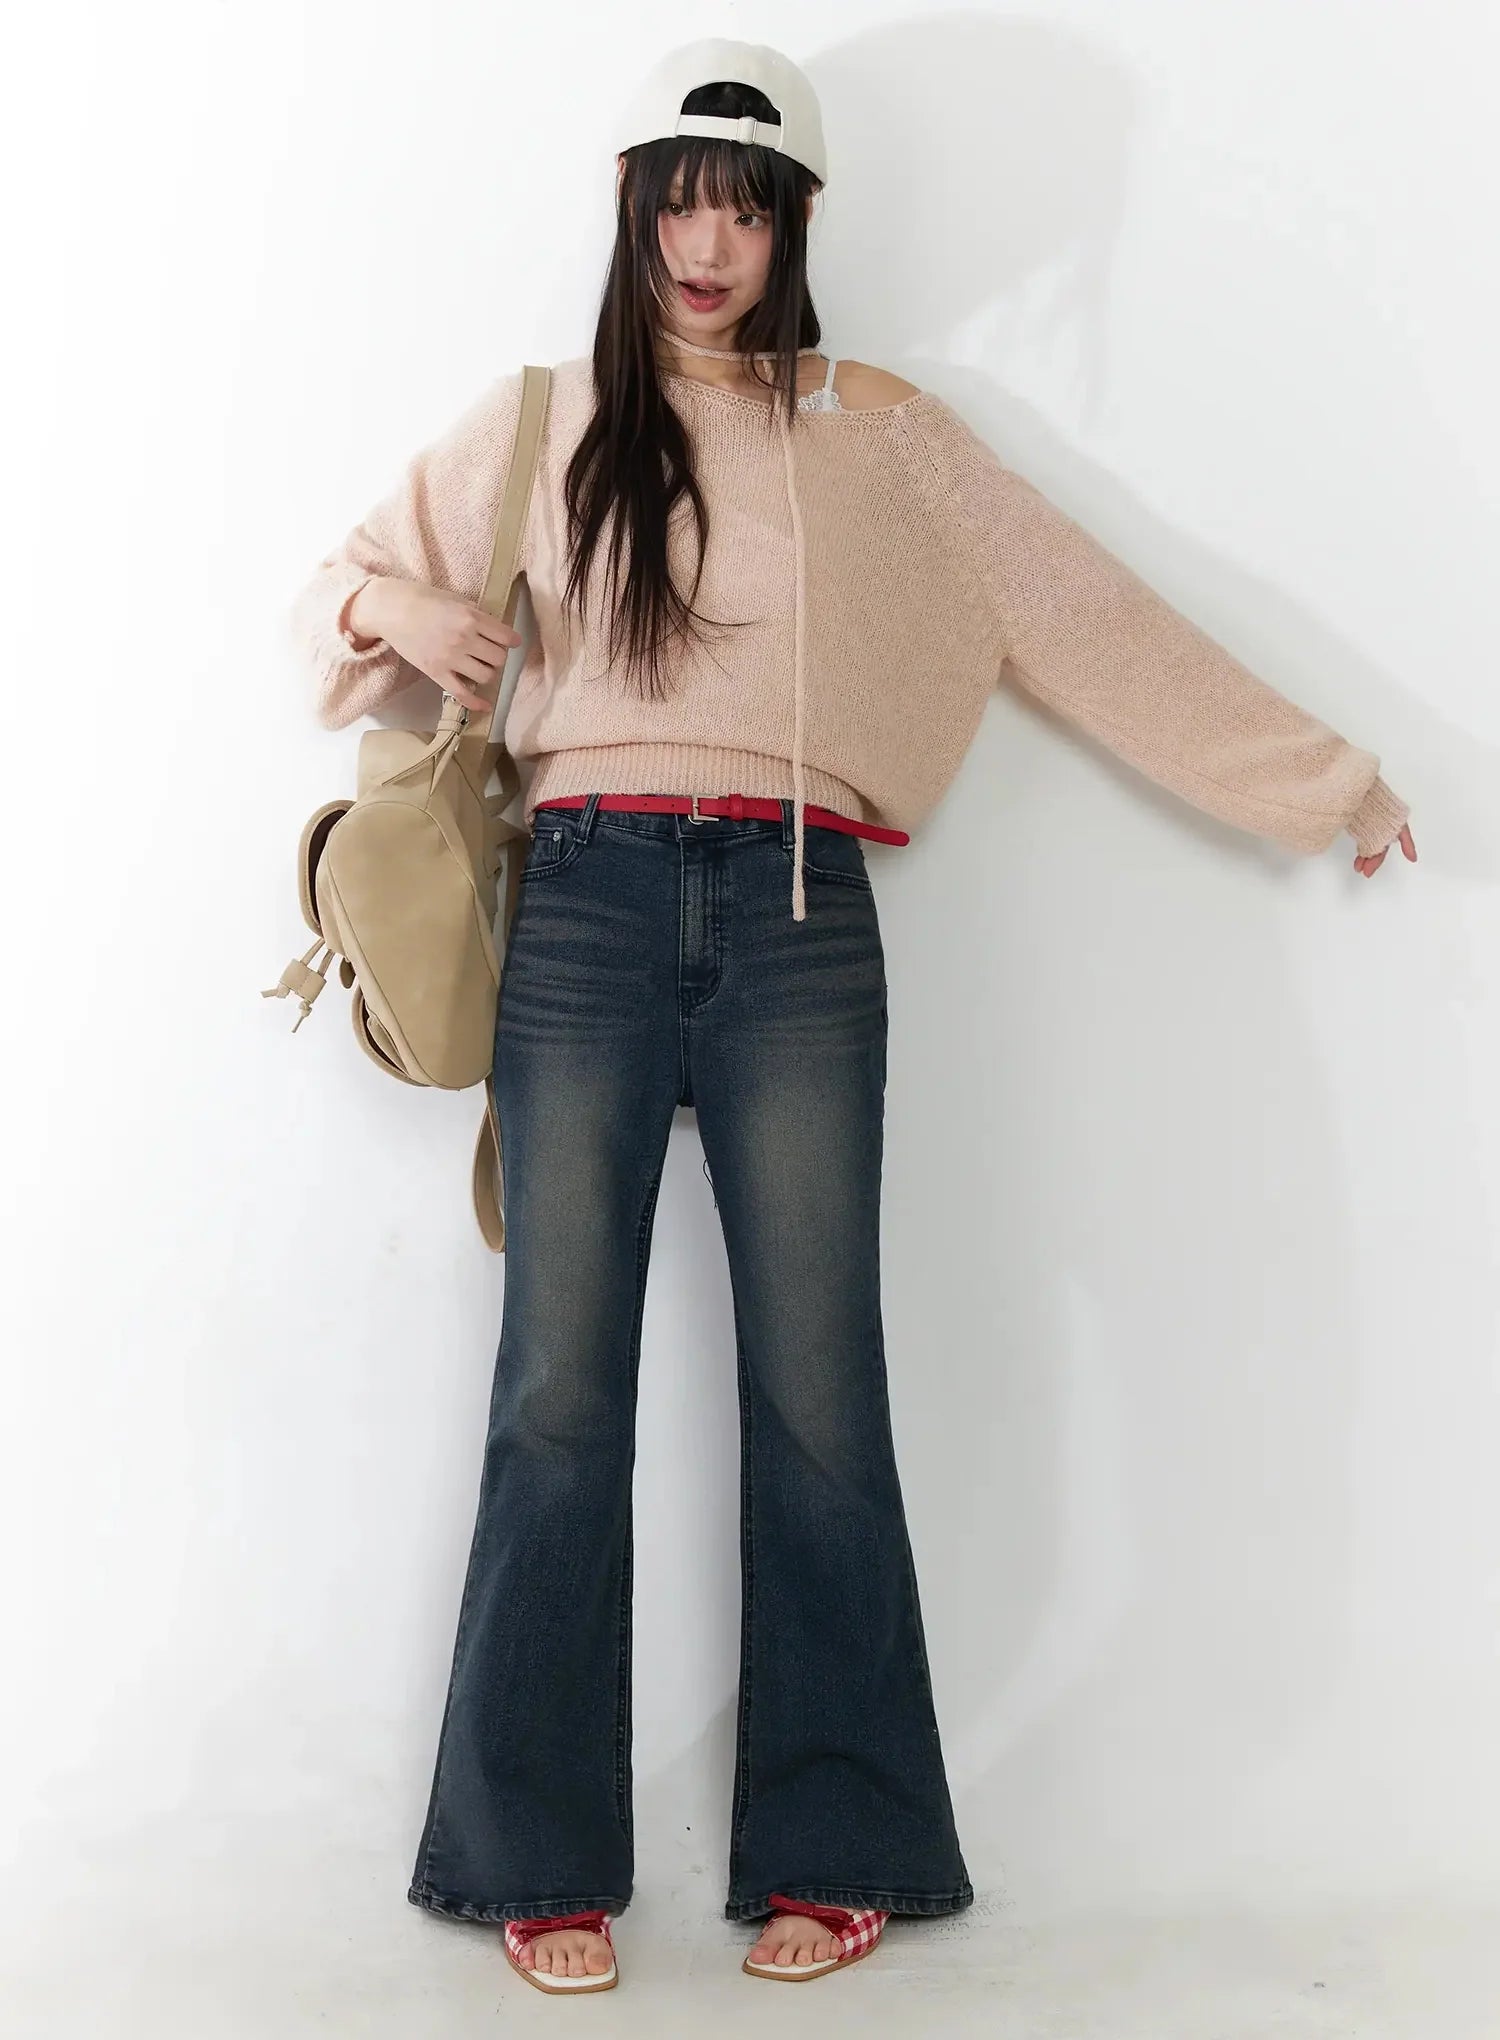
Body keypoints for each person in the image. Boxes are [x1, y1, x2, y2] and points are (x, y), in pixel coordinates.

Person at [285, 38, 1417, 1996]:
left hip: (801, 915)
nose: (708, 244)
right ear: (631, 207)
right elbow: (339, 591)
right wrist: (410, 616)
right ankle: (534, 1861)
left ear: (796, 224)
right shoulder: (547, 417)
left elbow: (1088, 620)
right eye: (680, 202)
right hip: (587, 905)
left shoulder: (882, 433)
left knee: (819, 1393)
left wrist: (1325, 782)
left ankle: (837, 1843)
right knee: (558, 1389)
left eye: (746, 207)